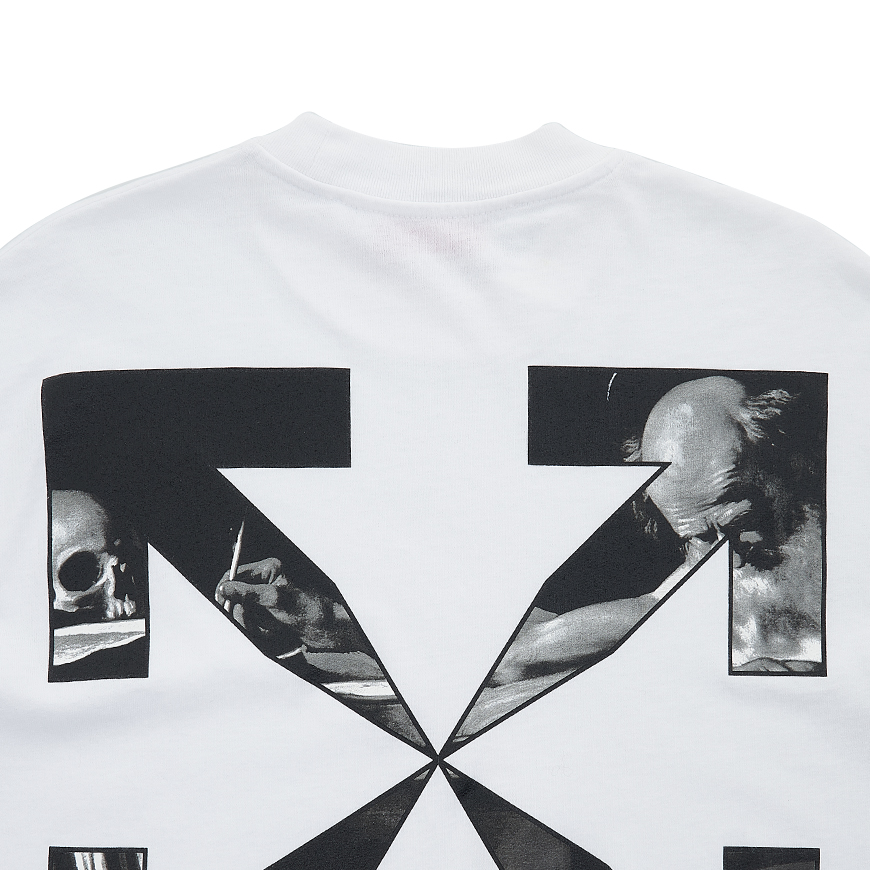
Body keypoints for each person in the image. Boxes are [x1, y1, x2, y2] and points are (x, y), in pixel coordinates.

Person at [490, 375, 824, 684]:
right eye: (698, 538)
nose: (730, 560)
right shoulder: (706, 570)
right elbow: (513, 658)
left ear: (789, 466)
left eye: (741, 523)